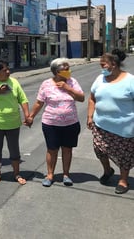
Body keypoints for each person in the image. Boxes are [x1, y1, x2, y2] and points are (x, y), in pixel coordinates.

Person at [26, 58, 85, 187]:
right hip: (51, 123)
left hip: (71, 123)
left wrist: (68, 88)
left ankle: (66, 175)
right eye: (65, 69)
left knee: (67, 149)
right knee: (52, 149)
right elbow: (39, 102)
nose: (68, 71)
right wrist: (31, 117)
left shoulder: (72, 82)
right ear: (56, 71)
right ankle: (50, 174)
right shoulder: (46, 84)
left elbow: (81, 98)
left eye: (68, 68)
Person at [87, 49, 134, 194]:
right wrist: (90, 116)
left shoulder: (130, 81)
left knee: (124, 155)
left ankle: (123, 180)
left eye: (103, 65)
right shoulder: (100, 79)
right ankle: (108, 171)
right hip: (101, 125)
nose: (102, 68)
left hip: (124, 127)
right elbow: (92, 98)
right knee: (99, 150)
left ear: (113, 64)